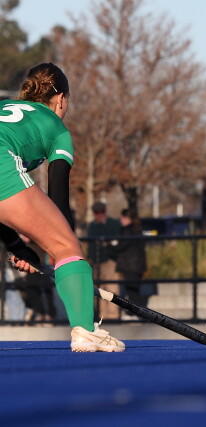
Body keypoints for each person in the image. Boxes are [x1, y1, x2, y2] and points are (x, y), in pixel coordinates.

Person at [0, 62, 124, 351]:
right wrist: (63, 252)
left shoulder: (5, 107)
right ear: (61, 99)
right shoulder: (57, 130)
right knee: (67, 245)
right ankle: (86, 331)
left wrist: (18, 247)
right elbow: (58, 200)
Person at [114, 208, 153, 314]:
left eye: (122, 217)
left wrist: (109, 246)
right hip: (136, 265)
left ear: (127, 218)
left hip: (130, 265)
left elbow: (122, 246)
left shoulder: (128, 230)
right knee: (134, 290)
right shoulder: (137, 229)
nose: (120, 220)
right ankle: (134, 312)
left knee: (132, 291)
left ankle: (133, 313)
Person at [86, 201, 121, 320]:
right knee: (99, 289)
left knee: (112, 288)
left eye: (101, 212)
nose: (99, 214)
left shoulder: (113, 224)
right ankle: (103, 315)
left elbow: (117, 240)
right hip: (95, 261)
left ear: (105, 211)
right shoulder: (92, 226)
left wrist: (107, 245)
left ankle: (113, 315)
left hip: (110, 260)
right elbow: (90, 244)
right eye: (96, 212)